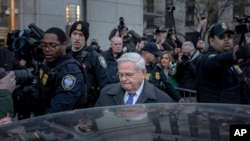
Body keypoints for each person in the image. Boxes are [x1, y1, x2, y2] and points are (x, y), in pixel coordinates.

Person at [28, 27, 87, 116]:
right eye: (44, 45)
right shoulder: (47, 64)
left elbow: (60, 107)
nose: (47, 49)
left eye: (53, 45)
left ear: (64, 45)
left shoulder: (71, 71)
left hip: (61, 124)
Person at [197, 22, 250, 103]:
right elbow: (215, 62)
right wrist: (236, 55)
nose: (226, 39)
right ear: (211, 41)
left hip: (233, 111)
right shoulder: (206, 58)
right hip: (215, 112)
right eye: (221, 37)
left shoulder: (230, 61)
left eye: (229, 36)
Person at [95, 52, 173, 107]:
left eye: (129, 75)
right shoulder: (106, 93)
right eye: (120, 74)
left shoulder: (162, 99)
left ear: (143, 73)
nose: (123, 79)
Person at [68, 21, 110, 108]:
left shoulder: (94, 57)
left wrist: (96, 111)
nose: (77, 38)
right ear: (70, 35)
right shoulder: (64, 54)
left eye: (81, 35)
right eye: (74, 34)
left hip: (87, 108)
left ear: (85, 38)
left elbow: (105, 86)